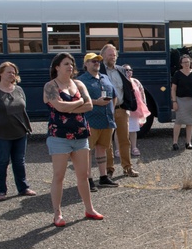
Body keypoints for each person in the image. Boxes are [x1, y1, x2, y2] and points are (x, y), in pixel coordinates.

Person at [44, 52, 104, 227]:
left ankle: (89, 209)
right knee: (59, 175)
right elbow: (60, 106)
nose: (70, 67)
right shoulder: (50, 86)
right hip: (59, 136)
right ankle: (57, 214)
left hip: (80, 134)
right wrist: (77, 104)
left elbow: (90, 105)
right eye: (65, 64)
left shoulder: (78, 84)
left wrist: (68, 108)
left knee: (83, 175)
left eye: (71, 64)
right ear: (57, 67)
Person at [0, 61, 35, 200]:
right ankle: (0, 191)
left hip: (19, 132)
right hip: (0, 134)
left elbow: (22, 108)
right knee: (2, 161)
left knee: (19, 161)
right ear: (0, 74)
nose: (12, 74)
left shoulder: (18, 90)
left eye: (14, 72)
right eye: (9, 72)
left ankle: (23, 188)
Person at [76, 52, 118, 190]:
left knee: (102, 149)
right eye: (93, 61)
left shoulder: (105, 77)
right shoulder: (81, 81)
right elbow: (78, 100)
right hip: (90, 120)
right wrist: (96, 102)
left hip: (106, 120)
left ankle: (103, 177)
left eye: (98, 61)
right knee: (87, 151)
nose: (96, 63)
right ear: (86, 64)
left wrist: (112, 109)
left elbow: (113, 95)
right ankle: (88, 180)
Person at [100, 44, 138, 178]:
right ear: (103, 56)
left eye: (114, 54)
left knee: (124, 140)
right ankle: (109, 170)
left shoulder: (121, 70)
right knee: (107, 142)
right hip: (105, 110)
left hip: (121, 109)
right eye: (110, 55)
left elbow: (127, 89)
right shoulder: (99, 71)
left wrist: (129, 105)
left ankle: (128, 167)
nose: (113, 57)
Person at [171, 53, 192, 150]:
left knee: (190, 122)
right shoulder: (177, 74)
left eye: (188, 62)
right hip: (180, 100)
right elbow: (173, 89)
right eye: (184, 62)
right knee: (178, 121)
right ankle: (175, 143)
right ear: (181, 64)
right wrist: (174, 101)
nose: (186, 64)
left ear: (190, 62)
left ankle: (188, 142)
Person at [123, 64, 151, 159]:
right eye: (126, 70)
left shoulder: (136, 81)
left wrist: (144, 105)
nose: (128, 71)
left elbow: (142, 93)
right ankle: (119, 149)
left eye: (130, 69)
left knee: (133, 129)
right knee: (120, 130)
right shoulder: (119, 81)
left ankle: (134, 147)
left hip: (134, 109)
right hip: (123, 108)